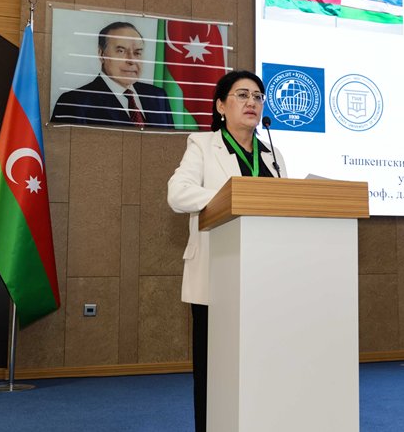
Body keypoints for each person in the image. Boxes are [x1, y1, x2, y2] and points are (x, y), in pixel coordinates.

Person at [166, 70, 286, 432]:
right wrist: (234, 198)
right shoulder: (203, 145)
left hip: (266, 277)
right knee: (214, 371)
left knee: (260, 366)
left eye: (258, 96)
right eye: (242, 95)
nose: (252, 102)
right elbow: (178, 193)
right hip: (218, 276)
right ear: (221, 106)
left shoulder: (273, 154)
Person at [50, 21, 174, 128]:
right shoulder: (74, 103)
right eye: (121, 51)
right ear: (101, 54)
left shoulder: (158, 96)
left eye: (137, 53)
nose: (131, 60)